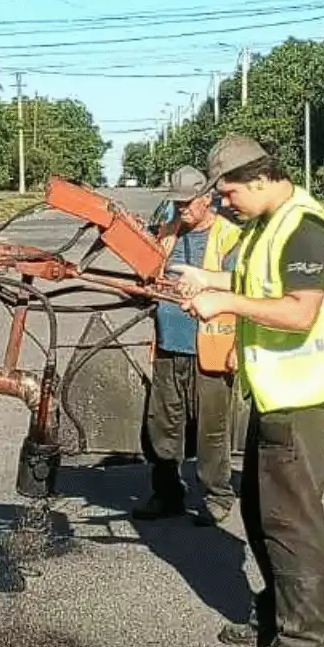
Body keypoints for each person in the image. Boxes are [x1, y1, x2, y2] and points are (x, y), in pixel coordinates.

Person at [173, 135, 324, 647]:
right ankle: (275, 615)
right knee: (259, 511)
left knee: (289, 520)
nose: (224, 202)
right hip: (280, 396)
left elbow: (300, 311)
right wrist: (208, 279)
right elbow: (257, 282)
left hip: (307, 397)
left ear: (259, 179)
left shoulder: (304, 227)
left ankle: (304, 642)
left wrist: (224, 302)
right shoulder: (265, 225)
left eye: (229, 192)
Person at [134, 167, 242, 527]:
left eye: (187, 203)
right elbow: (148, 276)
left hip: (211, 349)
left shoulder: (229, 237)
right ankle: (167, 494)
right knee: (162, 426)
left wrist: (237, 347)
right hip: (169, 346)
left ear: (207, 198)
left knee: (211, 429)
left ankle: (217, 496)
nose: (181, 210)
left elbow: (243, 293)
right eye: (176, 203)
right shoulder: (166, 233)